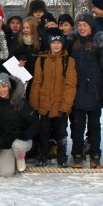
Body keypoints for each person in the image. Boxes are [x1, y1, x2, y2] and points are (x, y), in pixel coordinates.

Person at [69, 13, 103, 169]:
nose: (82, 28)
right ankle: (77, 155)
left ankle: (95, 155)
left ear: (91, 26)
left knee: (94, 127)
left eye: (85, 25)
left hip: (94, 92)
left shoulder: (99, 43)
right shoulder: (72, 42)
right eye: (79, 25)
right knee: (77, 126)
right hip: (77, 91)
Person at [28, 31, 77, 168]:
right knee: (43, 131)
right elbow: (37, 82)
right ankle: (42, 155)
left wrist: (66, 106)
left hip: (61, 104)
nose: (56, 45)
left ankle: (62, 156)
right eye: (53, 43)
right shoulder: (42, 60)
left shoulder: (68, 61)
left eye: (59, 42)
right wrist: (34, 103)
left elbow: (70, 85)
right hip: (45, 104)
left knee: (61, 132)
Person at [0, 73, 39, 177]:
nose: (2, 90)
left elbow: (35, 123)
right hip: (6, 141)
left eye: (4, 86)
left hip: (22, 140)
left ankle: (20, 157)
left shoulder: (20, 101)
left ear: (9, 86)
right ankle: (11, 156)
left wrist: (25, 135)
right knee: (6, 173)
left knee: (17, 145)